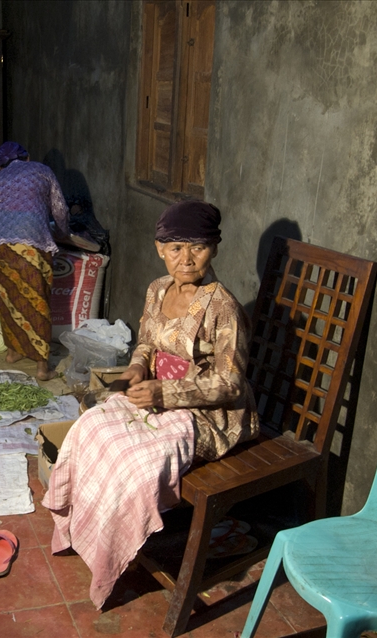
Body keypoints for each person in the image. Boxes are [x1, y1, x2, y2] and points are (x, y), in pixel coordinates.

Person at [42, 200, 260, 609]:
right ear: (160, 249)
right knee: (90, 428)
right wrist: (136, 372)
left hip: (209, 415)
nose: (186, 258)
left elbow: (230, 384)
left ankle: (114, 549)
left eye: (197, 247)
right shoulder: (157, 289)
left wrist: (164, 393)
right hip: (158, 394)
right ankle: (84, 528)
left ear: (214, 248)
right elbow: (144, 344)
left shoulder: (223, 308)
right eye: (175, 248)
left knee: (135, 465)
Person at [0, 141, 70, 381]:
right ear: (27, 157)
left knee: (8, 297)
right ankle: (43, 368)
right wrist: (63, 233)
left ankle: (13, 353)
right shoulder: (42, 171)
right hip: (30, 241)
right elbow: (60, 210)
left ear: (0, 166)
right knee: (36, 299)